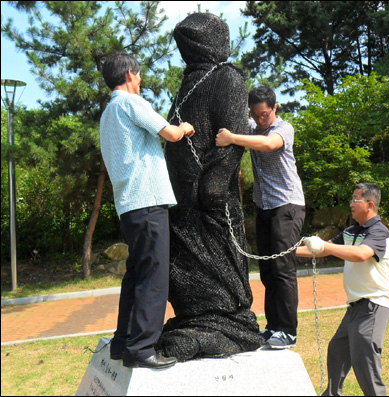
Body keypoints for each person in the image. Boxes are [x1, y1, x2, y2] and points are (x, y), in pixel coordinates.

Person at [156, 13, 264, 362]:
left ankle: (225, 327)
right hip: (182, 198)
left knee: (218, 266)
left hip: (210, 198)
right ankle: (197, 321)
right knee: (184, 267)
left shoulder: (228, 77)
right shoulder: (191, 82)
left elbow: (230, 137)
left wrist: (214, 188)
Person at [99, 51, 195, 369]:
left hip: (128, 205)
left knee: (137, 274)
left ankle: (123, 343)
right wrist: (187, 128)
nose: (140, 80)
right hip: (149, 200)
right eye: (138, 74)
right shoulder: (131, 103)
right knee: (154, 276)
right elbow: (170, 133)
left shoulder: (109, 111)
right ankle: (142, 349)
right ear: (129, 74)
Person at [216, 86, 306, 349]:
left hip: (287, 205)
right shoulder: (252, 128)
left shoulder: (283, 128)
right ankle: (273, 327)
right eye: (255, 115)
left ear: (274, 109)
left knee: (282, 269)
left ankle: (288, 332)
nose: (259, 119)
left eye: (264, 114)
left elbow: (268, 145)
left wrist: (233, 137)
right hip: (265, 206)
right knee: (267, 271)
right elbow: (229, 123)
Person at [297, 182, 389, 396]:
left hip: (373, 305)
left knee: (364, 363)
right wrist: (288, 252)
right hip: (355, 307)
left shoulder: (379, 231)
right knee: (337, 350)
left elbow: (360, 254)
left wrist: (324, 245)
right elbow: (322, 251)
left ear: (369, 204)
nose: (351, 204)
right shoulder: (352, 231)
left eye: (355, 200)